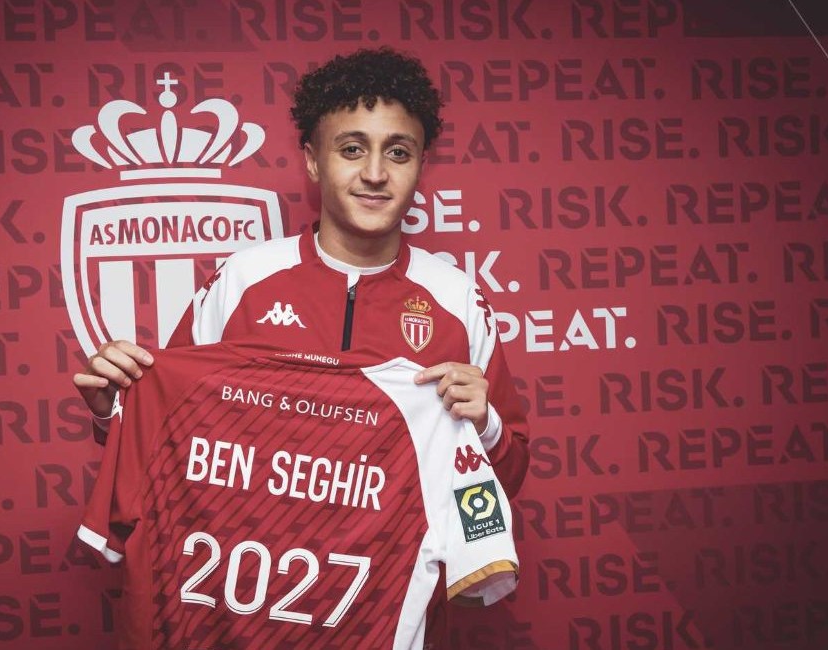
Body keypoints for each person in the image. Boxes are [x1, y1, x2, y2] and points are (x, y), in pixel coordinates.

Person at [73, 47, 531, 497]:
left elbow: (508, 479)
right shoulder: (244, 279)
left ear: (420, 166)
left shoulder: (456, 298)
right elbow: (166, 430)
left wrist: (486, 427)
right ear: (313, 160)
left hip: (406, 550)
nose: (375, 173)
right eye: (352, 149)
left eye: (397, 153)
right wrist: (113, 408)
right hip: (254, 545)